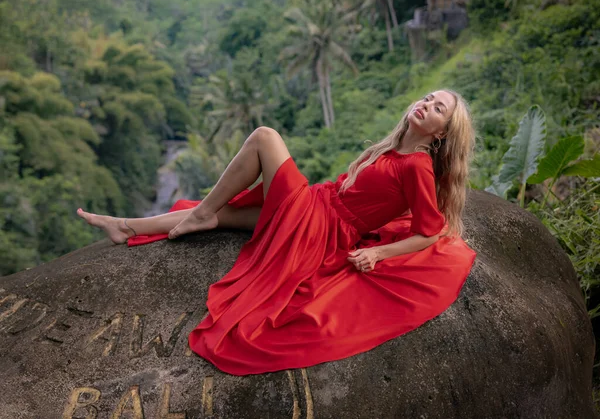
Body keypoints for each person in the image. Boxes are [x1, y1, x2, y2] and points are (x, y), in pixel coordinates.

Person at [77, 89, 477, 376]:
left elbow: (430, 231)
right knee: (224, 216)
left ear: (441, 132)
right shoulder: (393, 149)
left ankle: (199, 212)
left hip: (319, 228)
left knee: (264, 137)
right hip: (315, 208)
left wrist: (377, 254)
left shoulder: (417, 166)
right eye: (427, 98)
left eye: (438, 108)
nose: (426, 105)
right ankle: (124, 226)